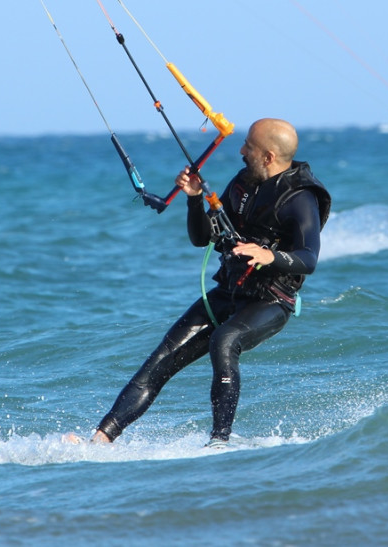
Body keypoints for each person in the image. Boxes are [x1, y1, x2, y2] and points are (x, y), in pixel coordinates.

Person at [87, 118, 330, 447]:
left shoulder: (301, 199)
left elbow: (309, 259)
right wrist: (193, 199)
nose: (241, 151)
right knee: (163, 356)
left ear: (269, 156)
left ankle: (219, 442)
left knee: (225, 340)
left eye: (249, 147)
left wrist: (269, 256)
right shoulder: (244, 183)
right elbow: (202, 238)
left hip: (271, 301)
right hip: (228, 292)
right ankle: (101, 438)